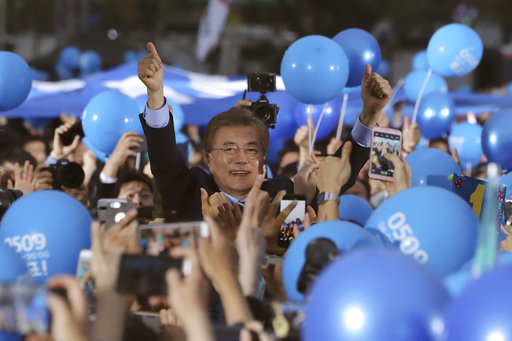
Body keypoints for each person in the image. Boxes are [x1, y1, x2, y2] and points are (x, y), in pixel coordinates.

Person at [137, 42, 392, 221]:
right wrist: (155, 93)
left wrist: (370, 114)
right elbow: (164, 156)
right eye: (229, 149)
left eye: (251, 150)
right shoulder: (191, 189)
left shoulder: (283, 195)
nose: (241, 159)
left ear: (262, 161)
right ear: (209, 159)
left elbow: (338, 173)